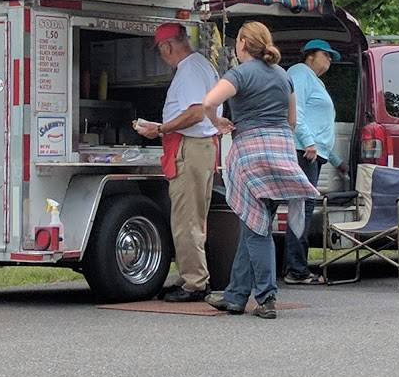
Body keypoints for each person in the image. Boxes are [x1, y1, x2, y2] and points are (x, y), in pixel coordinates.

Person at [202, 21, 318, 319]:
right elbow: (292, 121)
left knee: (257, 229)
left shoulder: (239, 74)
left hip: (251, 155)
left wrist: (218, 122)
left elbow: (209, 102)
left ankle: (267, 297)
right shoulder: (283, 76)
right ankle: (236, 296)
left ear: (242, 43)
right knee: (253, 223)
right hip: (282, 154)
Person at [135, 23, 220, 302]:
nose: (162, 57)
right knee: (195, 218)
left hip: (191, 148)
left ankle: (194, 283)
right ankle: (195, 275)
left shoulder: (189, 71)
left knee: (186, 219)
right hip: (202, 147)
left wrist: (161, 128)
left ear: (167, 46)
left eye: (161, 51)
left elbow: (196, 112)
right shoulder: (202, 66)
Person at [283, 39, 347, 286]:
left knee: (304, 208)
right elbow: (295, 111)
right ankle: (296, 270)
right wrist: (308, 142)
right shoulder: (300, 73)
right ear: (310, 56)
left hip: (313, 152)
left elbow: (321, 127)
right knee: (301, 208)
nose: (329, 60)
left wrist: (337, 160)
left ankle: (295, 265)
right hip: (303, 151)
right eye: (326, 55)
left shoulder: (315, 80)